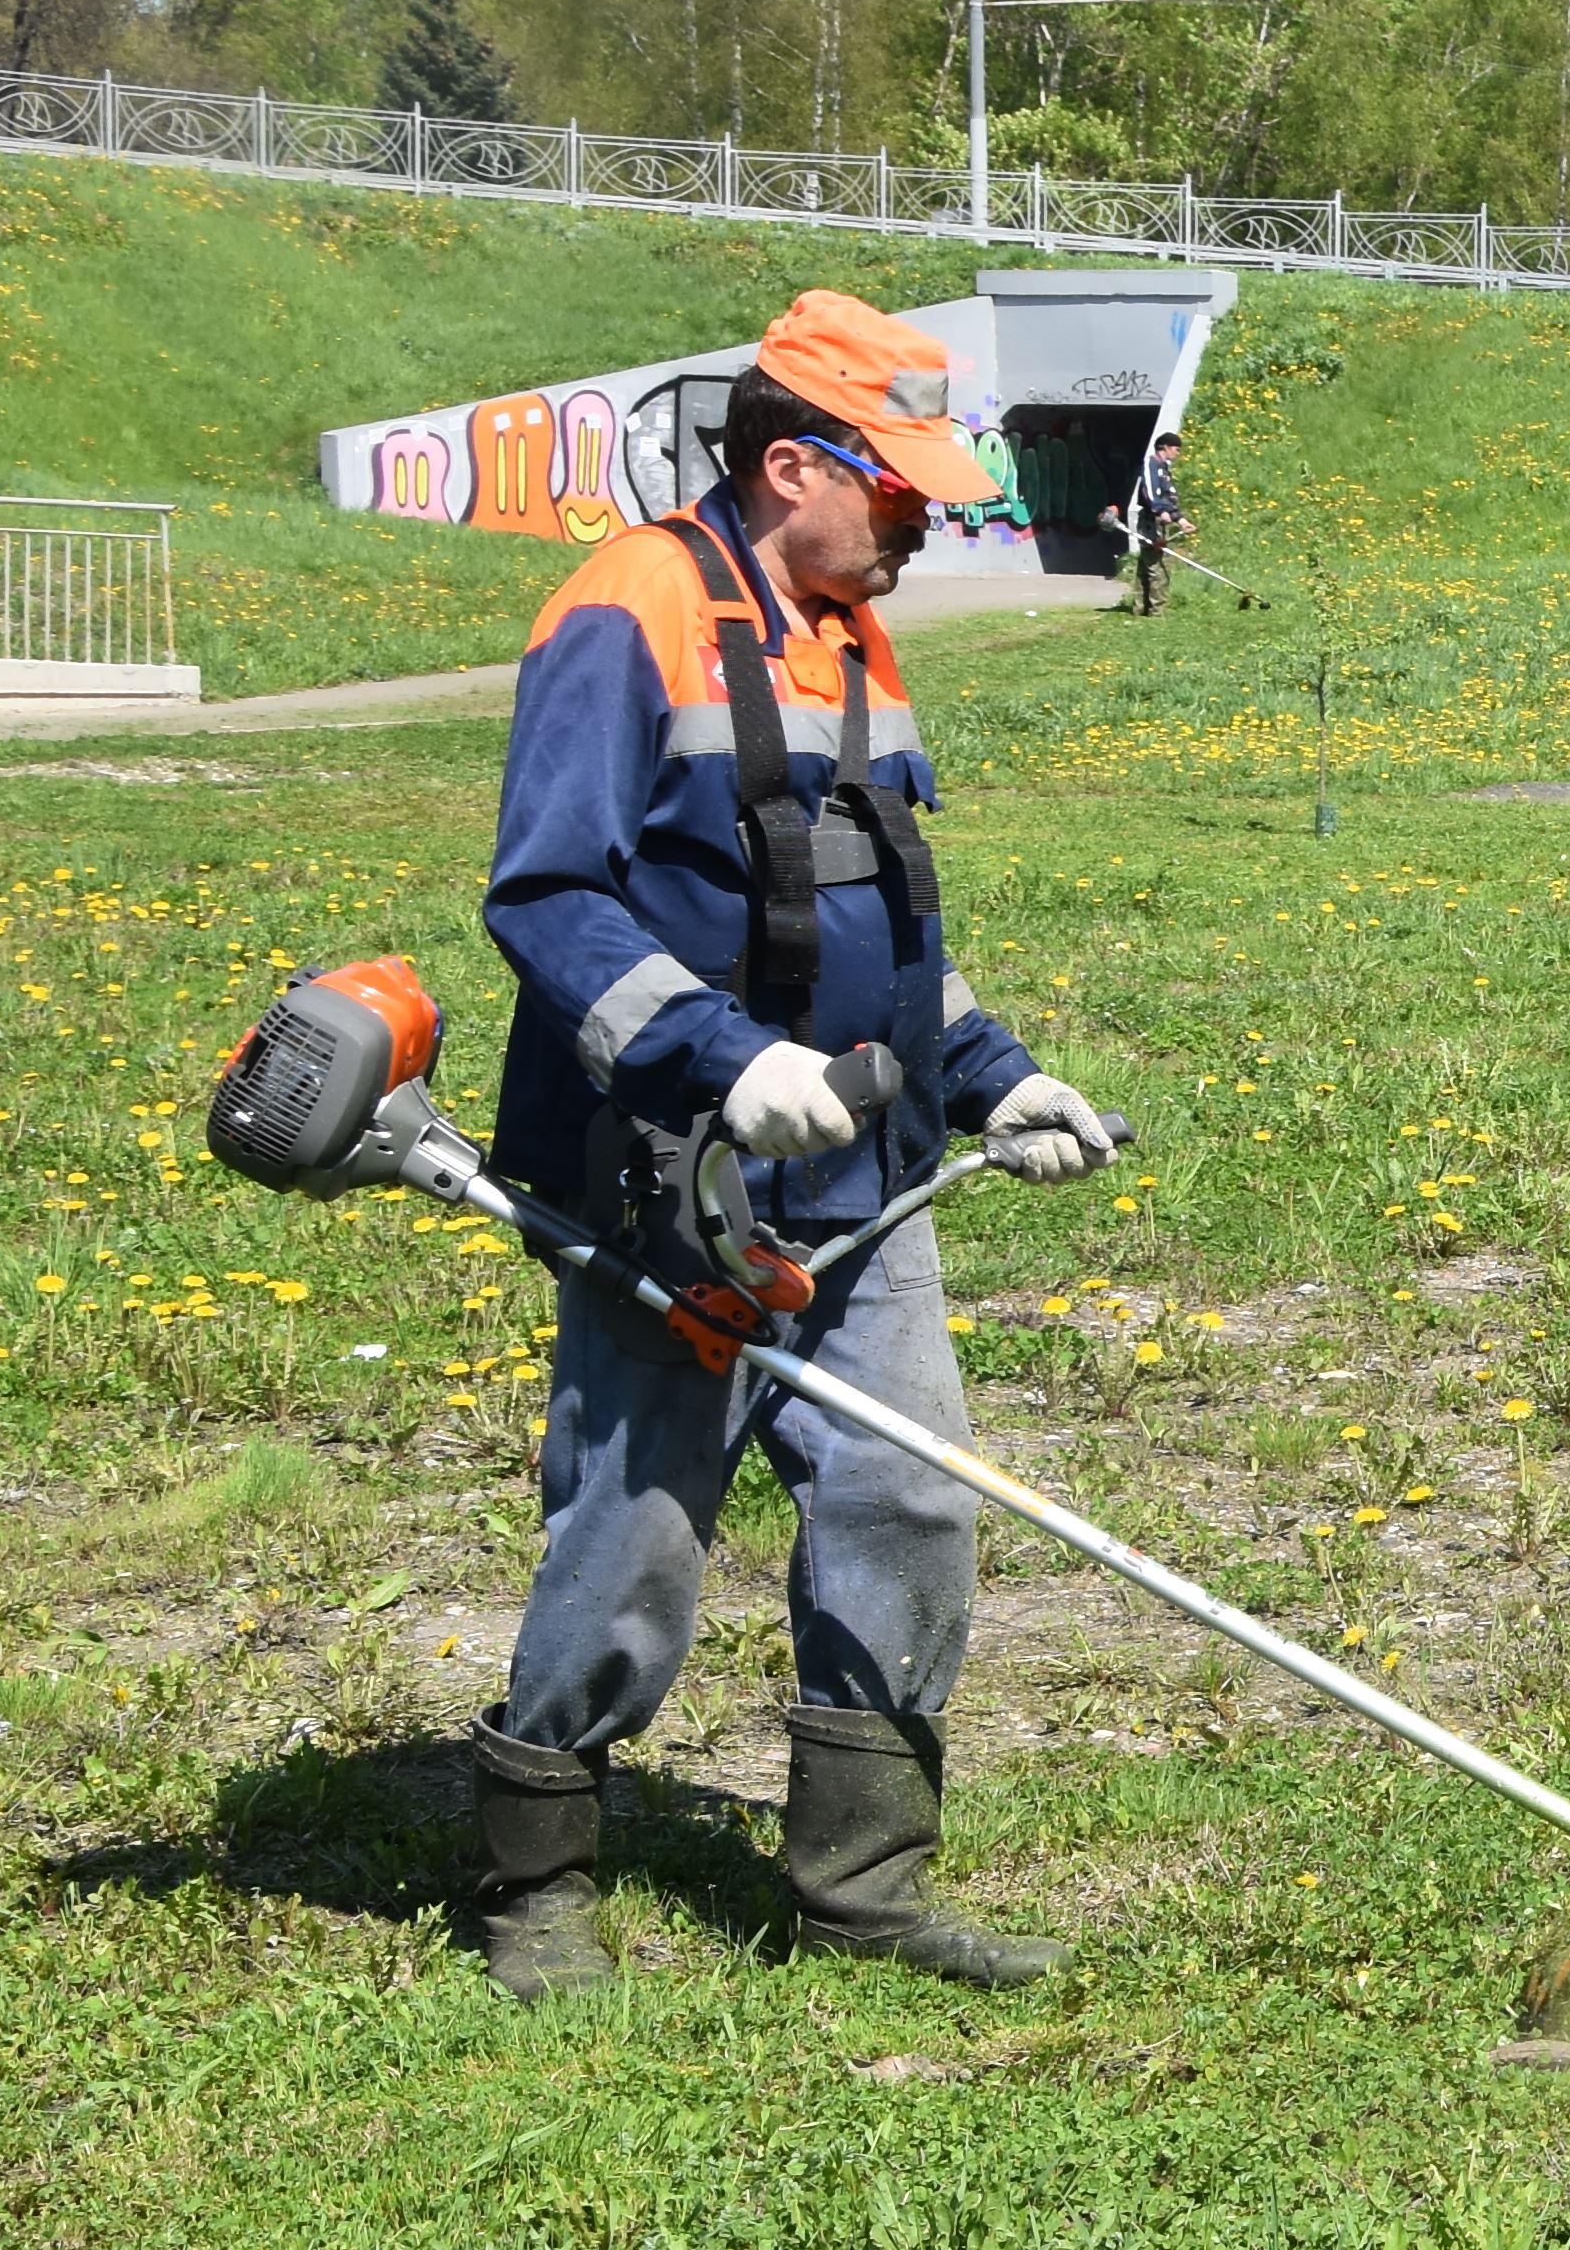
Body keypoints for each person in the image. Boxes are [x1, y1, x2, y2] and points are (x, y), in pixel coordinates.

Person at [465, 288, 1129, 2003]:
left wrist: (992, 1076)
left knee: (911, 1495)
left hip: (865, 1177)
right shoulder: (628, 614)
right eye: (896, 488)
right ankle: (539, 1882)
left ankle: (867, 1881)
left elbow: (885, 924)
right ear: (786, 467)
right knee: (637, 1532)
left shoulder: (853, 633)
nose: (926, 517)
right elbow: (545, 897)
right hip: (668, 1171)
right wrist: (719, 1059)